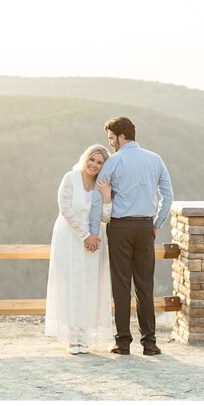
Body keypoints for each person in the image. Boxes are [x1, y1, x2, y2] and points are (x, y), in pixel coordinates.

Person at [88, 115, 173, 356]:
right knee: (145, 286)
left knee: (121, 286)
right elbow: (168, 196)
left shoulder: (113, 162)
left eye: (111, 138)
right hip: (145, 228)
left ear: (121, 136)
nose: (111, 143)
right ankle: (150, 343)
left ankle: (123, 342)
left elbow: (97, 200)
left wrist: (94, 232)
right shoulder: (155, 159)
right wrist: (157, 224)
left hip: (120, 228)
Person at [45, 144, 114, 353]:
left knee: (88, 284)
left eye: (100, 162)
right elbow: (65, 209)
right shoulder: (70, 178)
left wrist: (107, 196)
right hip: (70, 237)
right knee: (70, 283)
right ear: (85, 158)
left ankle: (84, 335)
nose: (94, 164)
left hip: (94, 241)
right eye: (91, 159)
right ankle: (71, 336)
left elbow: (105, 217)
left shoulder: (102, 185)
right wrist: (85, 236)